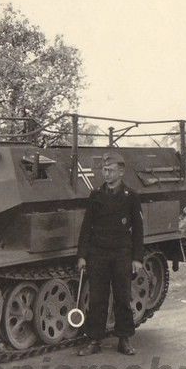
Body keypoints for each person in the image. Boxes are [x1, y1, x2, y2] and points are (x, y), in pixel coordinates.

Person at [76, 151, 143, 356]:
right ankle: (94, 340)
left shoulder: (131, 197)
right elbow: (86, 227)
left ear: (121, 172)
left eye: (110, 170)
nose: (106, 174)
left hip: (122, 253)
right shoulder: (96, 195)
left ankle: (124, 339)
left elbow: (138, 230)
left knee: (122, 297)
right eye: (104, 170)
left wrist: (137, 259)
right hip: (98, 253)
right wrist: (82, 255)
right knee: (97, 298)